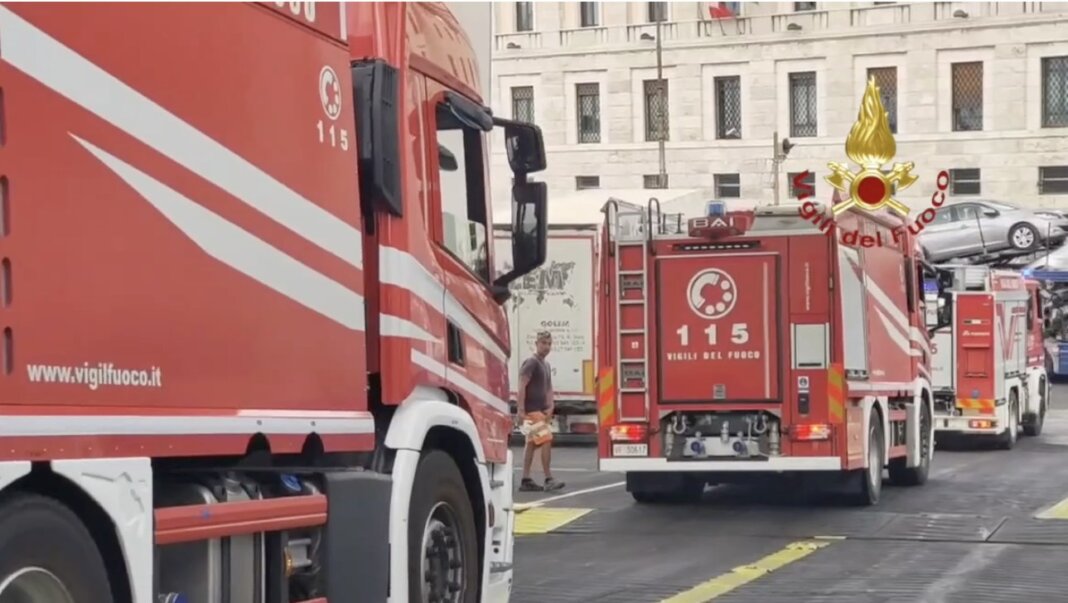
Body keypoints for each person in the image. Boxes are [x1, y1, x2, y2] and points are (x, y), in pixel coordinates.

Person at [517, 331, 565, 492]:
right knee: (546, 440)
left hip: (540, 411)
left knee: (530, 444)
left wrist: (551, 405)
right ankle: (548, 478)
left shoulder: (546, 365)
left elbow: (549, 387)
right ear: (536, 344)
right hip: (532, 411)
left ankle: (525, 479)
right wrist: (521, 410)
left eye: (549, 344)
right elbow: (522, 385)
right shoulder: (531, 362)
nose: (546, 347)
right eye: (543, 343)